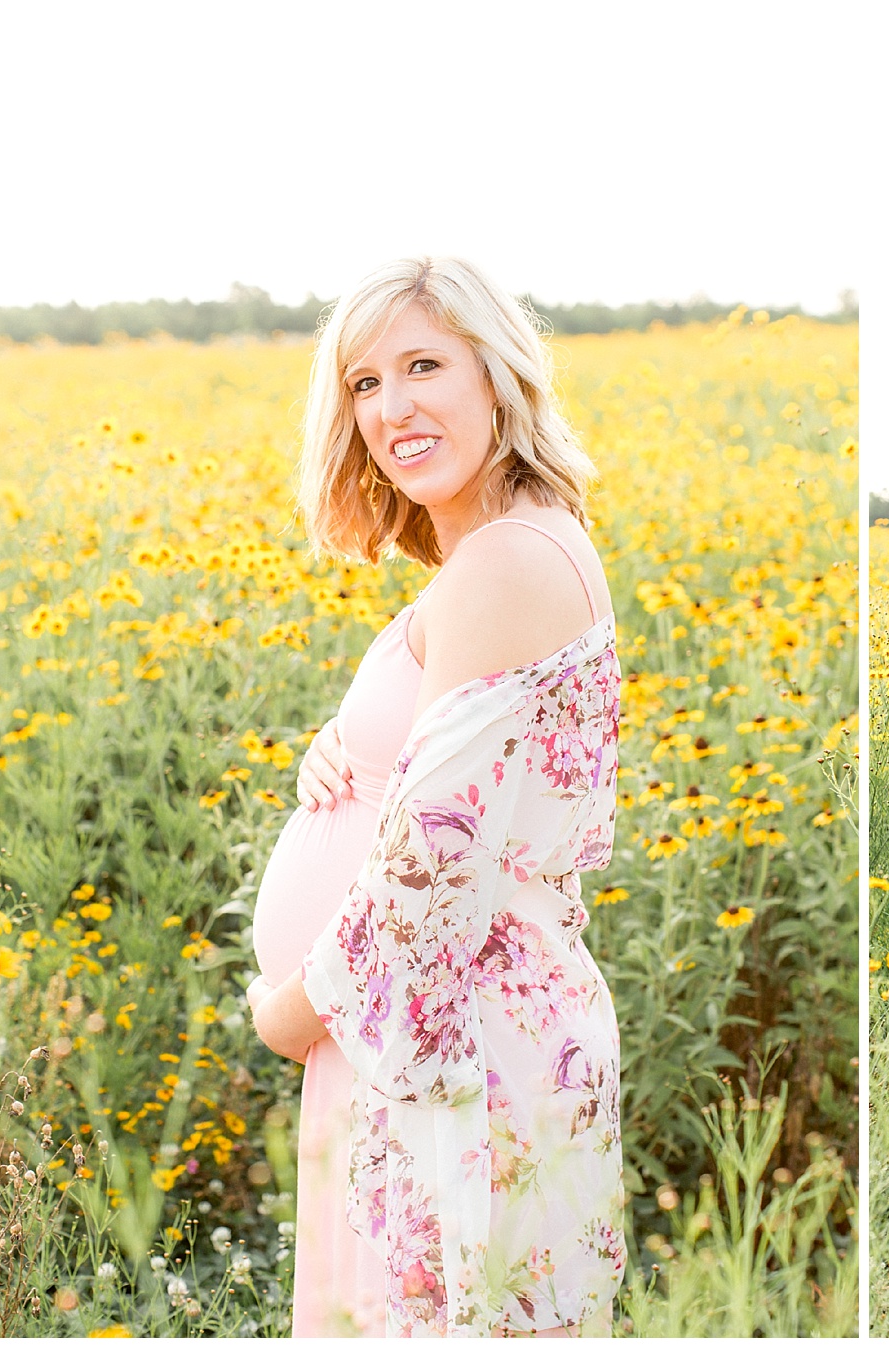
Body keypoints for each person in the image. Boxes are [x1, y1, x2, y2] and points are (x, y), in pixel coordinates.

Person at [246, 257, 626, 1336]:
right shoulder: (504, 551)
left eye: (423, 365)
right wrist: (343, 755)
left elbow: (430, 872)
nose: (391, 406)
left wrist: (287, 1013)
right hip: (441, 1039)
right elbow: (454, 762)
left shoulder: (504, 561)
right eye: (364, 382)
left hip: (452, 1056)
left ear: (499, 376)